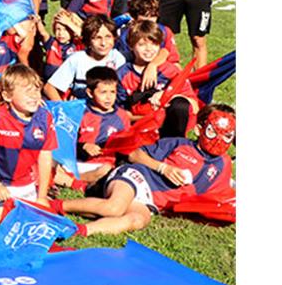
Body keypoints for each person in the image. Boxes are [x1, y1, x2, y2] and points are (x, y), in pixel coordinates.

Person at [58, 104, 235, 236]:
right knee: (114, 208)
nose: (218, 140)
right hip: (138, 177)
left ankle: (77, 231)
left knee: (137, 220)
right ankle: (55, 206)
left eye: (227, 135)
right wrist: (163, 168)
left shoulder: (223, 164)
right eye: (212, 132)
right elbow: (134, 154)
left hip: (151, 201)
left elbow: (217, 199)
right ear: (198, 130)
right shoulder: (178, 144)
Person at [0, 65, 57, 205]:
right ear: (7, 96)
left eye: (37, 90)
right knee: (1, 215)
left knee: (39, 213)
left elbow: (45, 156)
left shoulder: (45, 117)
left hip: (27, 183)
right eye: (28, 92)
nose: (35, 96)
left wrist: (42, 196)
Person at [45, 14, 126, 101]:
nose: (103, 43)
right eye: (97, 38)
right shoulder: (77, 59)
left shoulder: (117, 59)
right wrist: (64, 107)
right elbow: (49, 88)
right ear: (88, 40)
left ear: (114, 38)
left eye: (108, 37)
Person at [74, 66, 130, 185]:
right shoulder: (79, 112)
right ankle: (82, 179)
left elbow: (127, 146)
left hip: (106, 165)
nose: (109, 97)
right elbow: (65, 142)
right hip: (79, 163)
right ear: (90, 93)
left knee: (107, 170)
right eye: (103, 92)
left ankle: (75, 180)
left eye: (112, 92)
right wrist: (83, 146)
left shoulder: (122, 116)